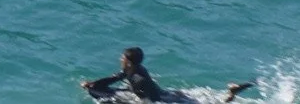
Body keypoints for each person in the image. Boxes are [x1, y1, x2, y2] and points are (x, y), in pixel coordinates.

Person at [82, 48, 252, 102]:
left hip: (164, 100)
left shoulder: (136, 77)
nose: (120, 58)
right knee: (205, 99)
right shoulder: (133, 70)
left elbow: (149, 98)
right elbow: (114, 78)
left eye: (122, 57)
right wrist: (93, 83)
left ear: (128, 61)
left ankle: (230, 94)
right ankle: (230, 92)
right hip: (168, 93)